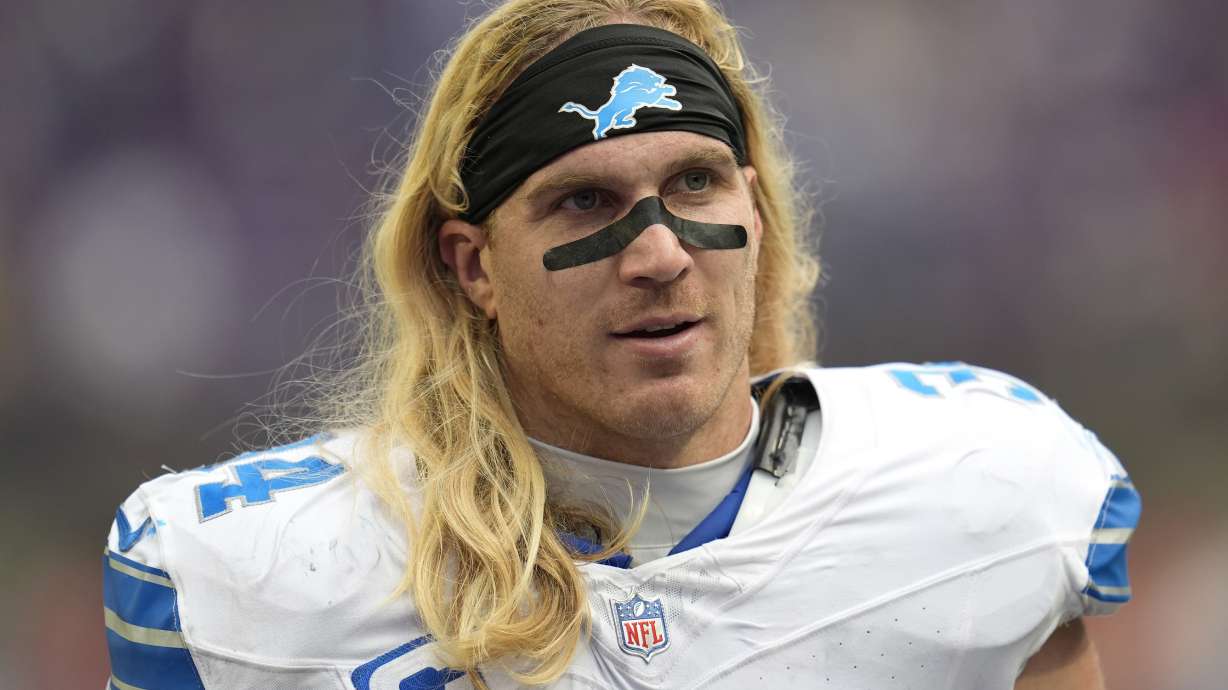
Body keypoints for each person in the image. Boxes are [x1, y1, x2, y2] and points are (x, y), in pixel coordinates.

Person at [101, 1, 1139, 688]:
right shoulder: (257, 576)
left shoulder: (980, 489)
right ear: (471, 267)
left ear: (758, 215)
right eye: (581, 201)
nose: (656, 255)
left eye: (694, 183)